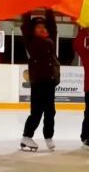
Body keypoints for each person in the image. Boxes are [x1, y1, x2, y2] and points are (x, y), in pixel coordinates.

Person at [20, 9, 60, 151]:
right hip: (38, 82)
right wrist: (27, 8)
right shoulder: (30, 42)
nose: (42, 29)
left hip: (50, 82)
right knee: (36, 111)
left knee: (50, 111)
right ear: (33, 30)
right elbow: (25, 26)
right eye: (38, 27)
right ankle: (26, 136)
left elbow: (52, 26)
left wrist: (49, 9)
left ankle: (48, 136)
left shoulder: (51, 40)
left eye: (44, 27)